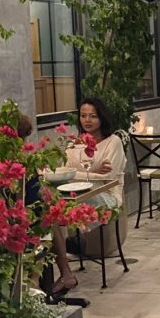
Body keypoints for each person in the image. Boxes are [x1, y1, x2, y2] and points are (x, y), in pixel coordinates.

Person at [52, 97, 127, 293]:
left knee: (55, 214)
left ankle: (65, 250)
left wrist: (79, 174)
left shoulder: (114, 142)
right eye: (83, 116)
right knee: (49, 208)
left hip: (107, 199)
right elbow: (63, 171)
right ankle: (65, 268)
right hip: (77, 197)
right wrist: (93, 174)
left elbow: (109, 177)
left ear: (101, 117)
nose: (87, 120)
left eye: (93, 116)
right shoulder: (75, 143)